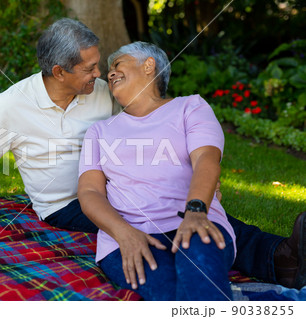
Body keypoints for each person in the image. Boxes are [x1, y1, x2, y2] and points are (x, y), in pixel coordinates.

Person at [0, 18, 305, 290]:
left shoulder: (100, 92)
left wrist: (197, 180)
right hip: (65, 203)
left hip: (115, 181)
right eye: (90, 68)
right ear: (59, 72)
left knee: (176, 202)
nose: (100, 75)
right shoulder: (9, 105)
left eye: (102, 67)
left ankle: (270, 257)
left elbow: (147, 115)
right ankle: (274, 260)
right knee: (163, 211)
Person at [77, 41, 236, 300]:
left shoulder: (190, 107)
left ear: (149, 65)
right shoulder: (99, 131)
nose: (110, 73)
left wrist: (195, 212)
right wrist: (124, 233)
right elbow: (90, 191)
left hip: (195, 220)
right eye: (109, 70)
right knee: (174, 295)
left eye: (117, 64)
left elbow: (206, 159)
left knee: (197, 282)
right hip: (127, 234)